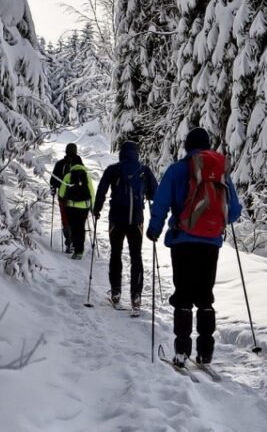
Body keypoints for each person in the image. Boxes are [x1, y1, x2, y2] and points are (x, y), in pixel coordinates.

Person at [146, 127, 242, 367]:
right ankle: (205, 353)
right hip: (211, 243)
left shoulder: (178, 170)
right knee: (205, 296)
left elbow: (161, 202)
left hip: (183, 241)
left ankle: (182, 351)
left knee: (184, 296)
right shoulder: (219, 172)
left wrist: (155, 228)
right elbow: (234, 212)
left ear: (187, 146)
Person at [93, 141, 158, 310]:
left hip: (116, 219)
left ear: (122, 153)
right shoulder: (144, 170)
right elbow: (155, 193)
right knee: (136, 256)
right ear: (136, 153)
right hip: (136, 220)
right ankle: (136, 295)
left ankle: (116, 291)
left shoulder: (113, 169)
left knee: (116, 253)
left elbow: (102, 190)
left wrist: (96, 209)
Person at [58, 153, 95, 259]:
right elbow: (92, 193)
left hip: (71, 207)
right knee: (81, 228)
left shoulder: (68, 176)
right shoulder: (87, 175)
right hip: (84, 208)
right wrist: (93, 207)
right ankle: (79, 251)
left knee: (74, 228)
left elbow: (61, 193)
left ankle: (75, 247)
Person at [49, 144, 79, 253]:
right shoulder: (79, 165)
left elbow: (53, 180)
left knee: (66, 219)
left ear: (66, 151)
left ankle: (69, 242)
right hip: (77, 197)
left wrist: (53, 189)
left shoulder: (60, 164)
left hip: (63, 197)